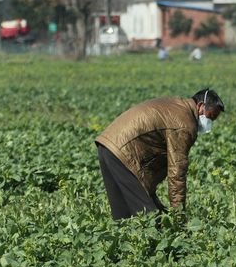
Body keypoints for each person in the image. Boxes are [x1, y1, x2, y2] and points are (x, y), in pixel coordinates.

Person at [96, 88, 224, 220]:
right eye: (211, 116)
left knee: (123, 215)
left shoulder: (177, 105)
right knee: (150, 218)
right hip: (122, 153)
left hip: (107, 146)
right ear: (200, 106)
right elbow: (177, 171)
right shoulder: (184, 124)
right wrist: (178, 215)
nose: (210, 122)